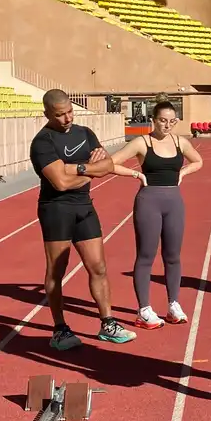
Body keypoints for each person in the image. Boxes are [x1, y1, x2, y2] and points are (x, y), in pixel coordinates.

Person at [30, 89, 136, 350]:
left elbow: (108, 165)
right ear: (47, 114)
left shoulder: (85, 133)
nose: (67, 118)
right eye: (60, 115)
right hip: (56, 209)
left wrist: (76, 168)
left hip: (84, 206)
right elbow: (61, 183)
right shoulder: (43, 142)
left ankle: (108, 323)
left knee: (98, 267)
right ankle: (60, 329)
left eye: (70, 112)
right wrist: (92, 170)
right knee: (57, 270)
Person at [110, 100, 204, 329]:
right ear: (153, 120)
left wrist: (184, 172)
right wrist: (136, 175)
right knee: (146, 256)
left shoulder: (180, 142)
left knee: (173, 256)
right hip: (149, 202)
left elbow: (198, 161)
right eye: (163, 120)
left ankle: (173, 304)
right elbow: (111, 164)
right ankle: (144, 309)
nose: (167, 125)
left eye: (172, 121)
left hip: (174, 203)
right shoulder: (142, 143)